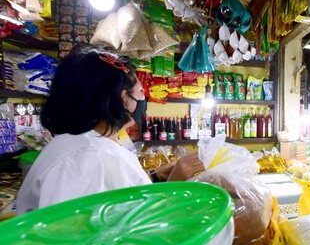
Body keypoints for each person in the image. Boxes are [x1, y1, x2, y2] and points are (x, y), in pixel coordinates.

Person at [17, 48, 204, 214]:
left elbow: (115, 202)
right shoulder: (88, 159)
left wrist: (156, 178)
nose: (144, 98)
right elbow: (81, 244)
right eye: (140, 91)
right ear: (124, 99)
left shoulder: (81, 145)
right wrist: (174, 188)